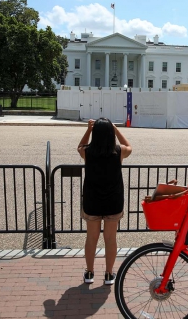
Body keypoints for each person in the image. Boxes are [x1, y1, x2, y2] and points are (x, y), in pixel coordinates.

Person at [77, 118, 132, 285]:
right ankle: (109, 274)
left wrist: (88, 130)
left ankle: (89, 272)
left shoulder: (88, 152)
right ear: (110, 134)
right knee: (110, 239)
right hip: (113, 201)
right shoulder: (118, 151)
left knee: (91, 238)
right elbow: (129, 146)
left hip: (92, 201)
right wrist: (115, 129)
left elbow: (79, 146)